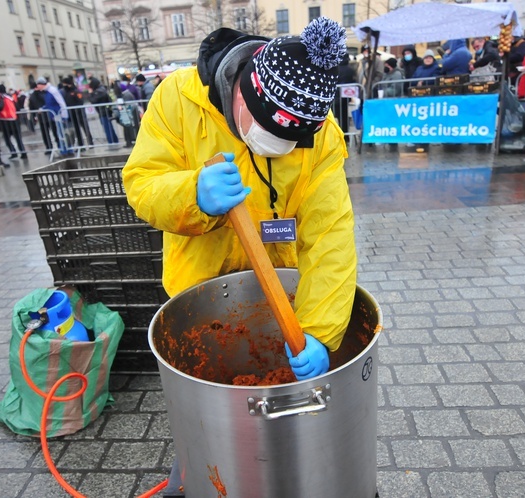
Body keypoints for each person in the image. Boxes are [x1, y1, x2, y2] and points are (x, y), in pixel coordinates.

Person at [122, 18, 357, 381]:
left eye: (290, 142)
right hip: (199, 293)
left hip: (284, 287)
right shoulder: (179, 98)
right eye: (268, 132)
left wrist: (321, 331)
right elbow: (142, 183)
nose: (277, 148)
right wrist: (191, 194)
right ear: (244, 93)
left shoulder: (322, 132)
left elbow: (330, 235)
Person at [36, 77, 71, 155]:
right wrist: (43, 108)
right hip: (55, 116)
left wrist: (64, 115)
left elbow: (61, 102)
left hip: (59, 115)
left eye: (38, 85)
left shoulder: (52, 91)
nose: (38, 88)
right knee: (60, 133)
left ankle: (66, 149)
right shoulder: (47, 92)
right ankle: (64, 149)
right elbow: (49, 104)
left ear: (41, 85)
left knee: (62, 133)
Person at [0, 84, 27, 160]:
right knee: (18, 138)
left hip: (5, 121)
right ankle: (23, 153)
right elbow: (17, 107)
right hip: (14, 119)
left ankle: (13, 152)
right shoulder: (10, 97)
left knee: (7, 138)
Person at [61, 75, 93, 149]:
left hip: (79, 113)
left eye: (65, 84)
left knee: (85, 128)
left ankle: (90, 143)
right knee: (77, 130)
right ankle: (81, 145)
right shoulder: (65, 92)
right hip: (72, 114)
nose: (64, 86)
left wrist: (77, 109)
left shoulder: (76, 91)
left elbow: (80, 101)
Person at [87, 77, 119, 146]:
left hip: (104, 112)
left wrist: (90, 94)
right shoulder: (102, 90)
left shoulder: (99, 91)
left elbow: (93, 100)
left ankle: (112, 143)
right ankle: (114, 141)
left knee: (107, 128)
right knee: (109, 128)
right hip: (105, 111)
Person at [332, 52, 356, 134]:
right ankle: (345, 134)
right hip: (346, 96)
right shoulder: (351, 70)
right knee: (344, 117)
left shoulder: (336, 69)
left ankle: (337, 134)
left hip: (335, 96)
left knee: (335, 117)